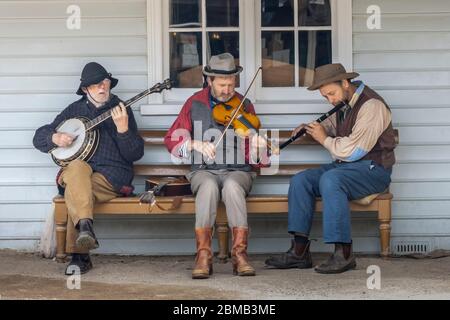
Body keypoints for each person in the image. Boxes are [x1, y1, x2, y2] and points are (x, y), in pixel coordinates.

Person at [265, 63, 396, 274]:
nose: (330, 100)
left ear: (345, 83)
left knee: (331, 180)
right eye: (325, 97)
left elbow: (354, 151)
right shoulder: (345, 103)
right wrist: (312, 129)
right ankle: (299, 252)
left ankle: (343, 254)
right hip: (347, 169)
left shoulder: (372, 106)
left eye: (331, 94)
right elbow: (334, 127)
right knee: (301, 180)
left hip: (373, 170)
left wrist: (323, 139)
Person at [164, 53, 269, 279]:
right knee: (209, 187)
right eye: (222, 85)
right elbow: (171, 139)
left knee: (231, 186)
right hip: (204, 171)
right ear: (209, 81)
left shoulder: (244, 104)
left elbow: (255, 157)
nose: (227, 90)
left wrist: (259, 146)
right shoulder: (194, 103)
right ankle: (203, 256)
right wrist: (194, 144)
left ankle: (240, 256)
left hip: (238, 171)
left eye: (231, 85)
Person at [33, 62, 144, 275]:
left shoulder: (122, 109)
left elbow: (135, 154)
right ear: (85, 89)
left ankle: (80, 254)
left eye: (105, 83)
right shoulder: (74, 110)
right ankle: (85, 230)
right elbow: (39, 137)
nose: (102, 88)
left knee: (74, 191)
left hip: (110, 177)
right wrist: (54, 137)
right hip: (79, 173)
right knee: (76, 168)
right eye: (95, 85)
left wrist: (123, 130)